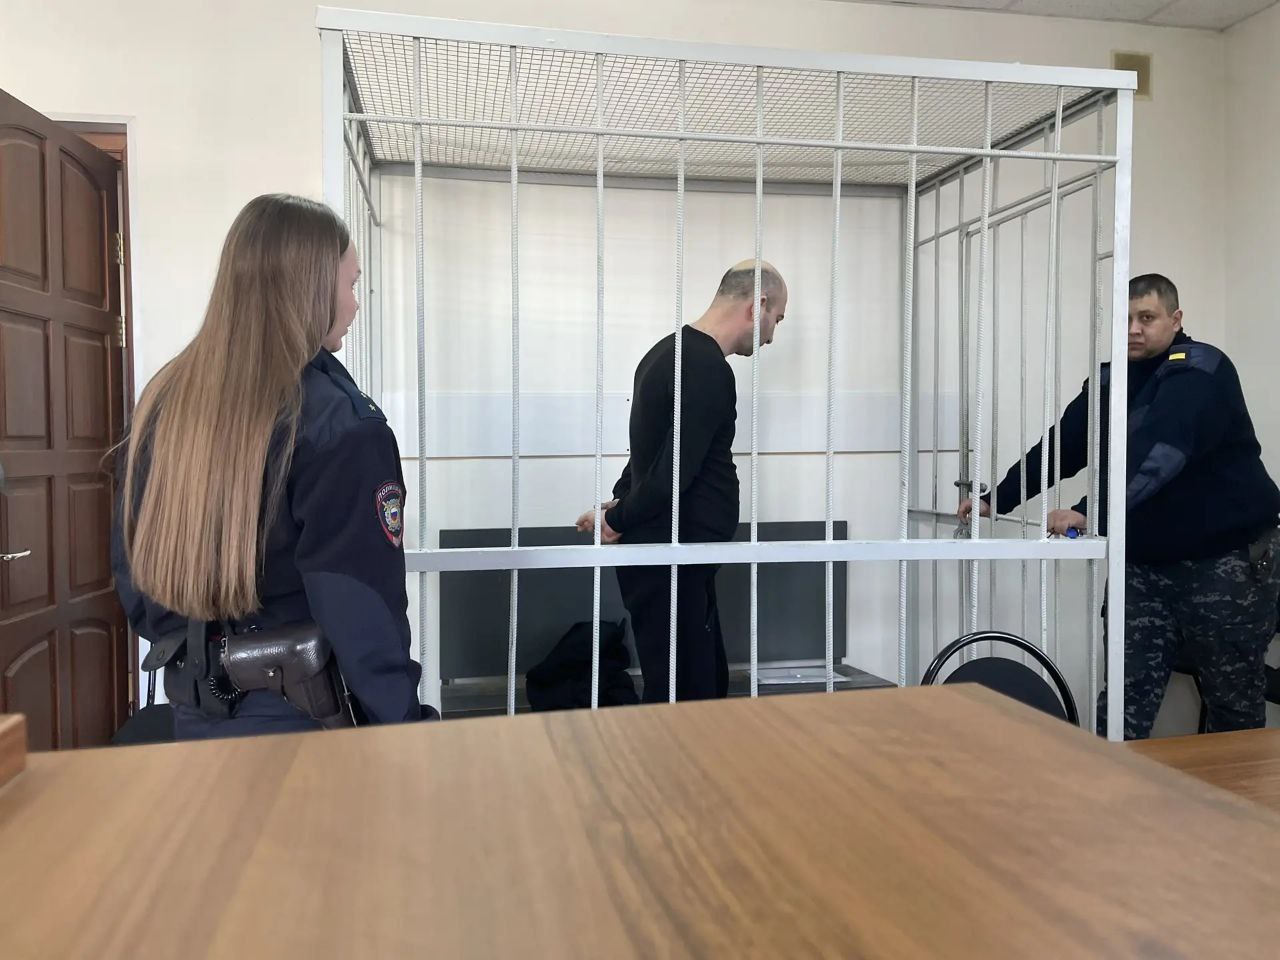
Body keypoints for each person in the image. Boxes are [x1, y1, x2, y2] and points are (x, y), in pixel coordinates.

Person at [112, 194, 424, 738]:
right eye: (350, 285)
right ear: (310, 288)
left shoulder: (165, 401)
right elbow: (362, 611)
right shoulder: (338, 424)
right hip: (304, 722)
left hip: (196, 712)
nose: (355, 305)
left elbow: (135, 570)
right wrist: (405, 731)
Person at [959, 274, 1280, 739]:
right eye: (1125, 318)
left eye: (1146, 317)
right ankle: (1112, 787)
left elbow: (1161, 452)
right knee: (1123, 702)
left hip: (1224, 563)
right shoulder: (1113, 378)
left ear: (1175, 319)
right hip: (1144, 564)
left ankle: (1235, 792)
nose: (1133, 329)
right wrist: (997, 498)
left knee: (1233, 704)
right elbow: (1062, 446)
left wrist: (1090, 511)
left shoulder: (1199, 369)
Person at [576, 261, 788, 703]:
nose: (771, 336)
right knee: (687, 698)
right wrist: (618, 519)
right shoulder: (705, 366)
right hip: (672, 560)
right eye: (777, 319)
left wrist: (618, 506)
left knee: (692, 687)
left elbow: (648, 458)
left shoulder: (664, 353)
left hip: (676, 559)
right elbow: (672, 470)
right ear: (758, 305)